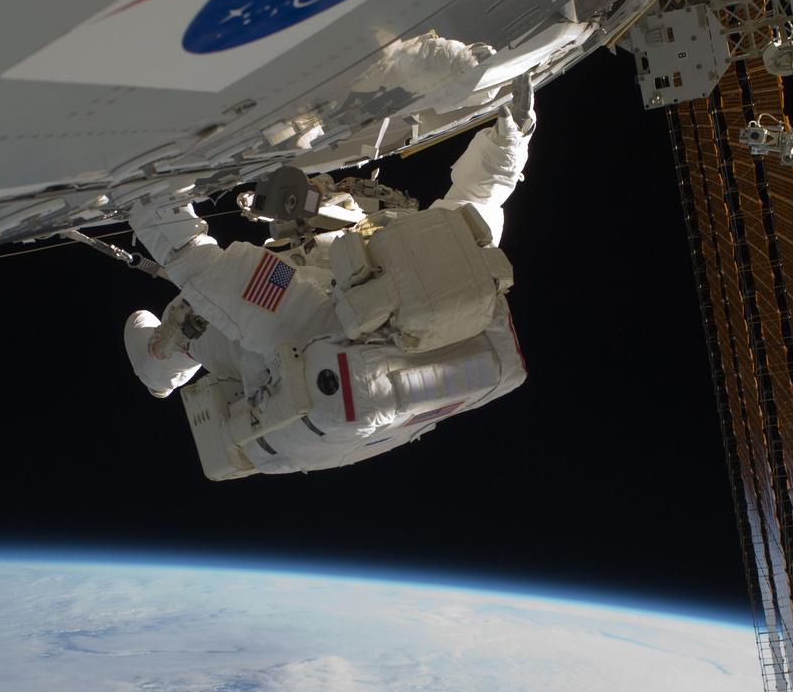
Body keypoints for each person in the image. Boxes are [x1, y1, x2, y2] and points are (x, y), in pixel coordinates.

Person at [124, 77, 536, 479]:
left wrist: (152, 186)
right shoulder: (452, 279)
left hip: (286, 380)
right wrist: (513, 139)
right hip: (363, 418)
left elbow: (196, 261)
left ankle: (159, 368)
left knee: (191, 317)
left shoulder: (301, 316)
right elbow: (478, 201)